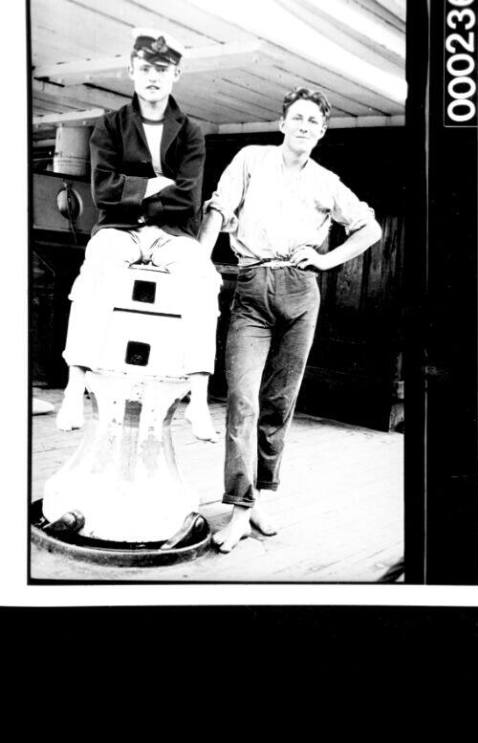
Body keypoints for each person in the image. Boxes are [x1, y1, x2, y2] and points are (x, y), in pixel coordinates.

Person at [198, 86, 382, 552]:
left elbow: (370, 228)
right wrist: (200, 261)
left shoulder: (327, 181)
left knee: (279, 402)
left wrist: (327, 260)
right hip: (252, 288)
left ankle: (259, 497)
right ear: (283, 123)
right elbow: (220, 207)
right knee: (242, 397)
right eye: (297, 118)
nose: (303, 126)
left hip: (301, 292)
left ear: (320, 133)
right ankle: (240, 507)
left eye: (313, 122)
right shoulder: (250, 159)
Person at [56, 27, 221, 441]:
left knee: (202, 277)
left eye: (163, 69)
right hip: (119, 229)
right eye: (145, 67)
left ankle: (198, 397)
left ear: (176, 76)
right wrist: (154, 185)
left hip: (172, 234)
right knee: (95, 271)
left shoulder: (190, 132)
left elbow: (189, 198)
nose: (153, 76)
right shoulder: (109, 126)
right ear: (131, 70)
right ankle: (76, 384)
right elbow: (102, 191)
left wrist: (132, 188)